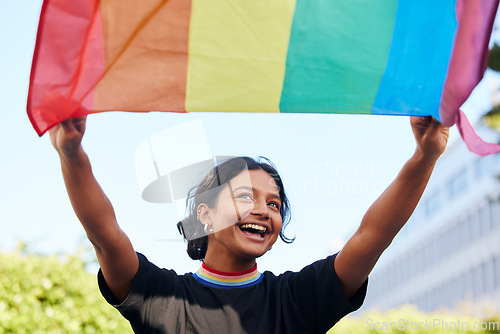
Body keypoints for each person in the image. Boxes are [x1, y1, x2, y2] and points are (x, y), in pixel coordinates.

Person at [49, 115, 449, 333]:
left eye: (274, 204)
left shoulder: (298, 300)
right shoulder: (162, 298)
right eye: (245, 197)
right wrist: (71, 153)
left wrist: (424, 157)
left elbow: (372, 237)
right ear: (204, 215)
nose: (264, 211)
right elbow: (104, 234)